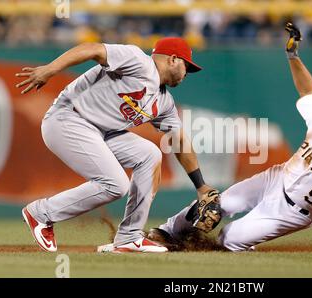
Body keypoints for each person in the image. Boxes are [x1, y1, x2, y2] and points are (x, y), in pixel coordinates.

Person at [146, 23, 312, 253]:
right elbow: (308, 91)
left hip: (293, 212)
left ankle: (219, 248)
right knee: (215, 203)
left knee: (229, 238)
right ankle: (167, 231)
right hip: (275, 178)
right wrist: (292, 56)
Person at [16, 37, 217, 253]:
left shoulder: (164, 102)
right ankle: (42, 213)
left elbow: (179, 141)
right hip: (68, 119)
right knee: (115, 184)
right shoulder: (138, 61)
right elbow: (92, 49)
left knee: (149, 155)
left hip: (102, 132)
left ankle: (129, 237)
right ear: (173, 59)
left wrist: (201, 186)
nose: (187, 73)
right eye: (187, 66)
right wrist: (51, 69)